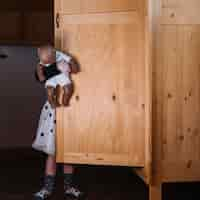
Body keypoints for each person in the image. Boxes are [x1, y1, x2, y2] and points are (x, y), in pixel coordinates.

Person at [32, 45, 84, 200]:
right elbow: (40, 77)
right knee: (52, 152)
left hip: (69, 110)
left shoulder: (63, 56)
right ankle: (47, 188)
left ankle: (69, 187)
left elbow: (75, 69)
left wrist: (67, 64)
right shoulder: (43, 63)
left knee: (68, 152)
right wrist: (57, 67)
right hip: (52, 112)